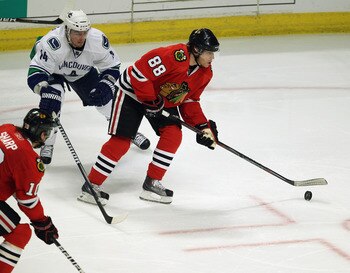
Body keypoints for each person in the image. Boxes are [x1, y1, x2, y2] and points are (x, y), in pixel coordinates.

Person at [77, 28, 220, 205]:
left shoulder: (205, 73)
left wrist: (202, 126)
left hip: (160, 100)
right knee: (121, 142)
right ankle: (91, 185)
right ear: (196, 50)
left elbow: (189, 99)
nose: (212, 58)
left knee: (173, 134)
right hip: (131, 94)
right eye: (208, 53)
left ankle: (152, 182)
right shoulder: (172, 56)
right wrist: (150, 101)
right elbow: (139, 74)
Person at [27, 9, 150, 165]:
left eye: (84, 32)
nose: (82, 37)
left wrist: (107, 84)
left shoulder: (97, 39)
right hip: (54, 71)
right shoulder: (52, 43)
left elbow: (112, 67)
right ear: (67, 30)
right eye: (77, 33)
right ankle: (48, 143)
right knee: (53, 102)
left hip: (82, 72)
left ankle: (128, 132)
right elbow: (36, 72)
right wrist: (44, 89)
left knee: (105, 101)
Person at [0, 108, 59, 273]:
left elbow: (8, 172)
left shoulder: (6, 129)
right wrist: (43, 223)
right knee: (19, 234)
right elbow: (27, 201)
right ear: (42, 134)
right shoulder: (29, 160)